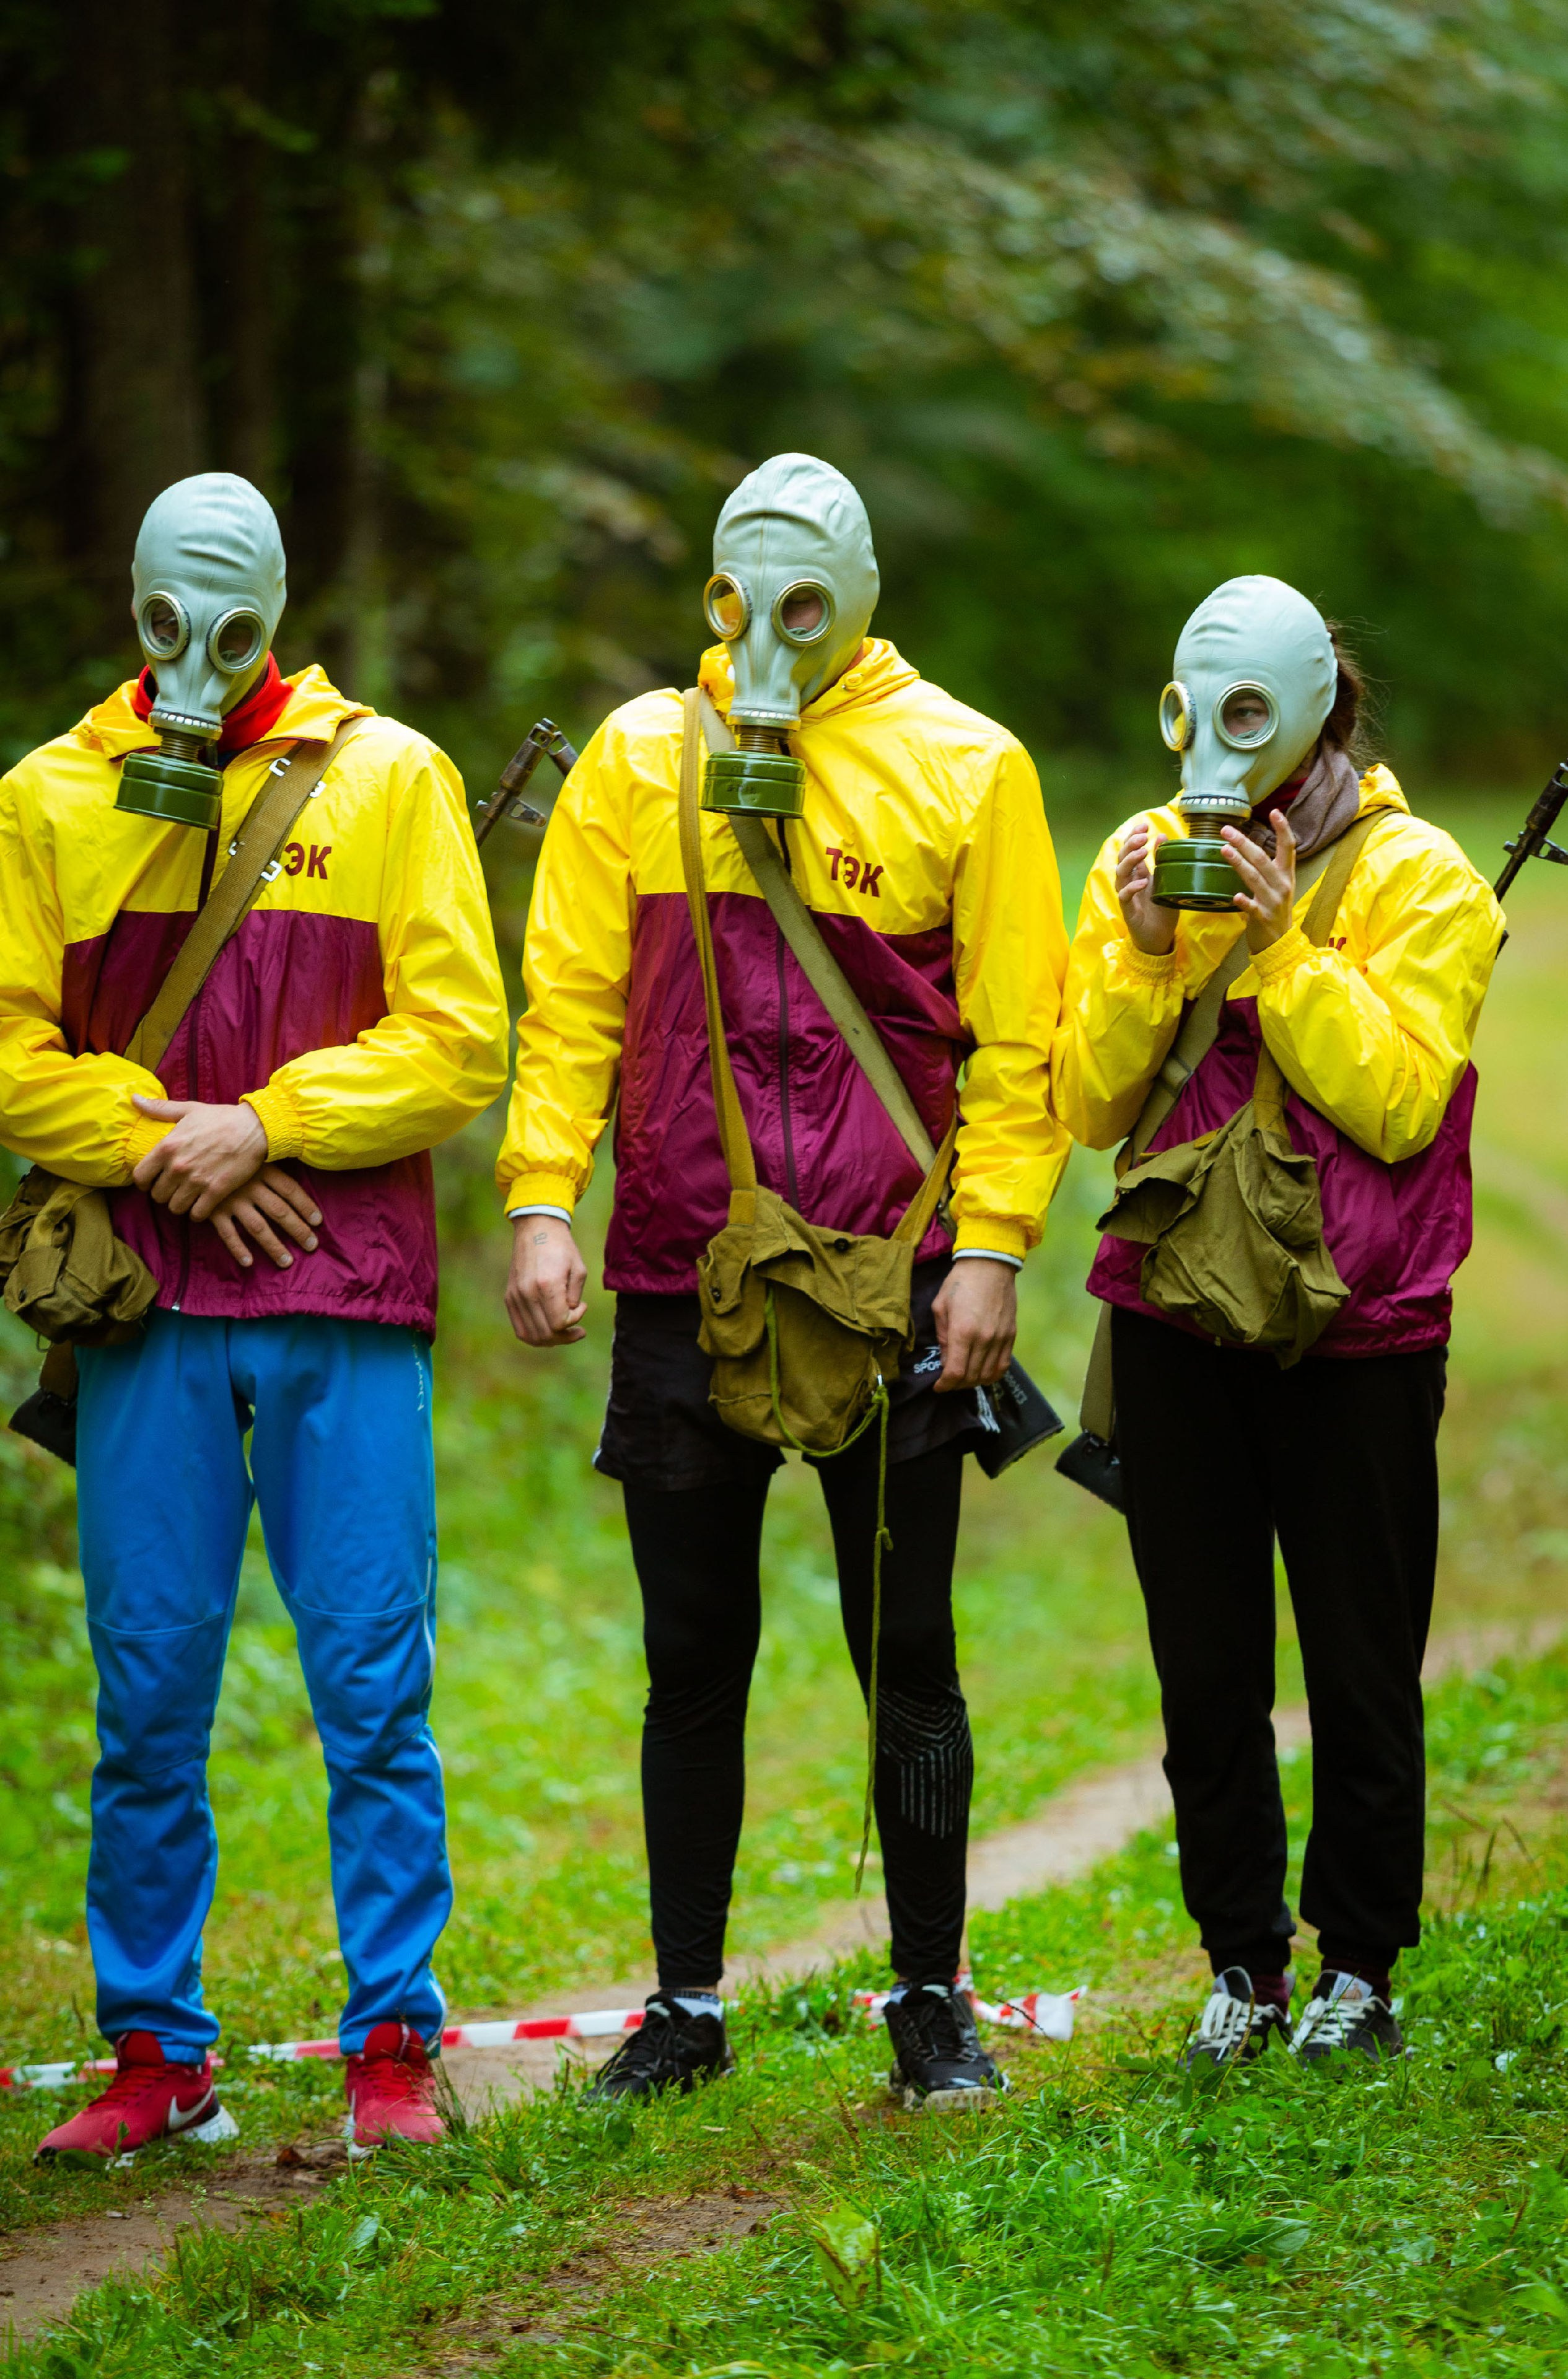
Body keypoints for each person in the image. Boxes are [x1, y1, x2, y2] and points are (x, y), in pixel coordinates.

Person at [499, 452, 1069, 2108]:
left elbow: (1014, 1047)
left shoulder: (967, 766)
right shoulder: (637, 757)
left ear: (862, 587)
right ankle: (683, 2005)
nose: (774, 624)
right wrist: (543, 1200)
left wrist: (992, 1249)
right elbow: (573, 1007)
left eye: (806, 589)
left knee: (908, 1654)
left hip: (892, 1281)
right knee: (695, 1654)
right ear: (714, 589)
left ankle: (928, 1999)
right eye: (749, 590)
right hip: (684, 1269)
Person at [0, 472, 508, 2162]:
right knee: (147, 1684)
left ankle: (392, 2044)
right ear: (131, 605)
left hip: (343, 1298)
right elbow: (11, 1061)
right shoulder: (52, 797)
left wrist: (265, 1124)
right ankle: (156, 2055)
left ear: (279, 608)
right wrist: (176, 1150)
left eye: (228, 613)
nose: (197, 646)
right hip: (147, 1308)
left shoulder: (392, 779)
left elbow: (457, 1041)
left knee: (371, 1677)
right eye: (166, 611)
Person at [1053, 575, 1503, 2068]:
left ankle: (1358, 1970)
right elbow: (1088, 1101)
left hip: (1358, 1333)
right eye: (1200, 710)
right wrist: (1135, 948)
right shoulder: (1145, 858)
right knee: (1206, 1668)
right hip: (1183, 1312)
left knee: (1362, 1661)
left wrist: (1277, 943)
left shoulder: (1423, 877)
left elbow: (1396, 1096)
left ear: (1314, 709)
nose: (1221, 744)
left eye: (1249, 710)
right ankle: (1241, 1962)